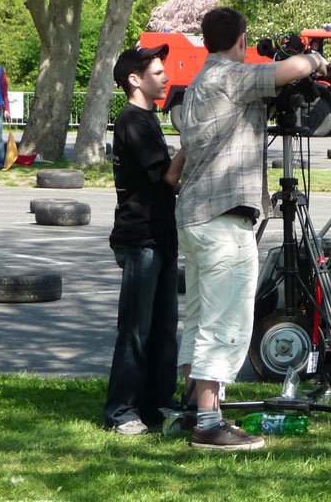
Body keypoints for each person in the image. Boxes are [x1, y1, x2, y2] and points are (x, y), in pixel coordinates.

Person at [176, 7, 327, 450]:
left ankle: (194, 408)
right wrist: (315, 61)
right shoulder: (229, 76)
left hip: (199, 215)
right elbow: (293, 69)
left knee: (202, 317)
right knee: (226, 321)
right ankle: (208, 421)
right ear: (242, 39)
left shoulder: (203, 80)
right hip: (224, 219)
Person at [104, 44, 186, 435]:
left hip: (161, 235)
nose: (165, 77)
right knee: (136, 329)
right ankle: (121, 411)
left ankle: (156, 405)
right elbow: (169, 177)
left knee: (164, 327)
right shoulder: (133, 120)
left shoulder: (148, 118)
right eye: (157, 72)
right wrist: (193, 141)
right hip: (140, 238)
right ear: (135, 80)